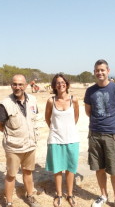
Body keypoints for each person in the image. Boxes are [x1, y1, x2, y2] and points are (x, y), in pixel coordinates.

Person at [84, 59, 115, 207]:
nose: (100, 73)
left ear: (108, 71)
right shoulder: (90, 91)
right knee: (99, 168)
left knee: (114, 170)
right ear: (94, 72)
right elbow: (88, 112)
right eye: (97, 70)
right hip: (95, 135)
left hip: (112, 135)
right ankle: (103, 195)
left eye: (102, 70)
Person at [0, 74, 41, 207]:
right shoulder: (5, 104)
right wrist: (11, 134)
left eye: (20, 84)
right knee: (11, 175)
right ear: (11, 85)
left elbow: (33, 118)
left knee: (28, 172)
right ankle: (9, 202)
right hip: (13, 147)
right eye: (14, 84)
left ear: (26, 85)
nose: (17, 87)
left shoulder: (32, 100)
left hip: (30, 145)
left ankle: (30, 196)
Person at [45, 74, 80, 207]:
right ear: (54, 86)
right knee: (58, 168)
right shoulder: (51, 101)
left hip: (72, 138)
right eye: (58, 83)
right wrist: (56, 129)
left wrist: (68, 129)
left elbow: (76, 117)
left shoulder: (74, 100)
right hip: (55, 139)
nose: (61, 84)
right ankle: (59, 194)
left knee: (71, 168)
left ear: (67, 84)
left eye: (63, 82)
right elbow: (47, 118)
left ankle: (70, 195)